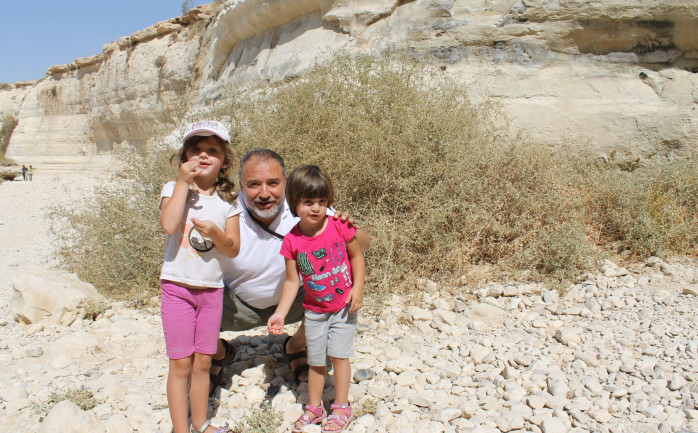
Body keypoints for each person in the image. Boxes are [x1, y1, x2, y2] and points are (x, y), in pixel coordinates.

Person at [210, 150, 370, 387]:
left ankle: (294, 347)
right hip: (236, 305)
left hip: (295, 300)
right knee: (190, 305)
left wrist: (347, 225)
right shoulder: (224, 212)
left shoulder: (305, 208)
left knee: (331, 287)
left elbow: (363, 246)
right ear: (241, 185)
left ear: (286, 183)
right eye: (254, 184)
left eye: (273, 183)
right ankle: (219, 353)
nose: (265, 193)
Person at [267, 165, 364, 433]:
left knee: (339, 356)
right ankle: (315, 408)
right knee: (316, 360)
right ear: (294, 203)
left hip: (343, 308)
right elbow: (291, 281)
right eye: (308, 202)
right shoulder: (292, 242)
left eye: (322, 201)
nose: (316, 208)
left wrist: (358, 288)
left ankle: (342, 406)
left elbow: (357, 256)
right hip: (314, 311)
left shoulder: (338, 227)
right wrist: (280, 313)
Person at [159, 120, 241, 433]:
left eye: (212, 150)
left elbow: (232, 249)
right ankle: (182, 429)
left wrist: (217, 234)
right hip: (177, 288)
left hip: (210, 292)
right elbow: (168, 225)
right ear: (183, 158)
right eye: (195, 150)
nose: (202, 156)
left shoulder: (227, 203)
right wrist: (182, 182)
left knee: (203, 363)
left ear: (225, 161)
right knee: (181, 364)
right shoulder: (172, 189)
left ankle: (202, 424)